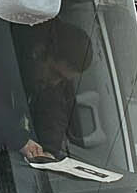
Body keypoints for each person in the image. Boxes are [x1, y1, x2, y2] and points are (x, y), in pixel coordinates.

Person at [19, 19, 94, 161]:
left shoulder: (52, 84)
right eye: (55, 73)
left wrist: (49, 151)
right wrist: (18, 139)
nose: (55, 82)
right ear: (39, 51)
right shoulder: (2, 63)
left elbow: (53, 114)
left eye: (63, 80)